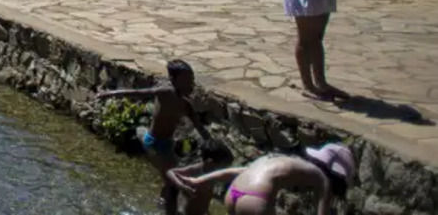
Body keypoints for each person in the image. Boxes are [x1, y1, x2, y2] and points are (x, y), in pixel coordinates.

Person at [95, 59, 209, 215]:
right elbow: (137, 93)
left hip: (167, 145)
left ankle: (165, 203)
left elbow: (200, 128)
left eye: (192, 80)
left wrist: (213, 144)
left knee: (174, 177)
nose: (191, 84)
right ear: (173, 80)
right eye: (187, 80)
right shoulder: (165, 92)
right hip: (153, 142)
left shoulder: (186, 105)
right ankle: (167, 207)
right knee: (172, 178)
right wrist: (109, 93)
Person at [169, 142, 354, 215]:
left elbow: (234, 171)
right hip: (256, 198)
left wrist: (199, 180)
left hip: (233, 193)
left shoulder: (281, 159)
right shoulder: (322, 178)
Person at [165, 140, 234, 215]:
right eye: (224, 167)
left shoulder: (212, 176)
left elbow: (205, 198)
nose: (225, 171)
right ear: (210, 162)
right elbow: (170, 172)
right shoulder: (196, 170)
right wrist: (182, 186)